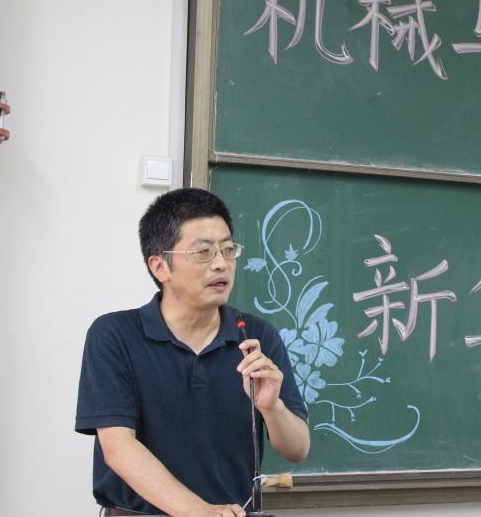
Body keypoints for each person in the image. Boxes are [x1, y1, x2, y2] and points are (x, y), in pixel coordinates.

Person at [76, 188, 309, 516]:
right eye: (203, 252)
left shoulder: (256, 336)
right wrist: (199, 511)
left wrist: (272, 408)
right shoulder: (115, 335)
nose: (221, 264)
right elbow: (118, 447)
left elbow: (297, 449)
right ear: (160, 267)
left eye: (228, 250)